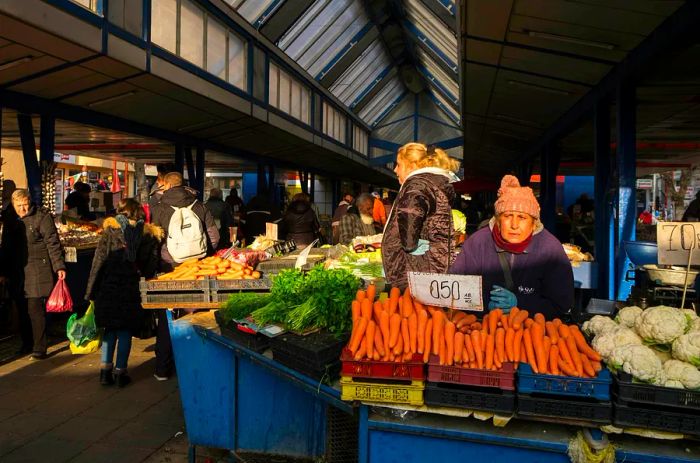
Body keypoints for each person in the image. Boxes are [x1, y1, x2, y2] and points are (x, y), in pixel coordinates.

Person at [449, 175, 574, 320]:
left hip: (532, 330)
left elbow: (562, 305)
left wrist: (521, 303)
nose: (514, 225)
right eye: (508, 216)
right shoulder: (477, 243)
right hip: (482, 328)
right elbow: (455, 290)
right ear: (497, 220)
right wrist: (482, 304)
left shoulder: (550, 249)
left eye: (522, 217)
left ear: (534, 223)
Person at [85, 198, 163, 387]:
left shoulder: (110, 231)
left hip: (109, 285)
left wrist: (90, 291)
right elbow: (150, 265)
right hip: (131, 287)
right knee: (125, 330)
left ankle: (105, 371)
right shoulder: (148, 235)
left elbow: (98, 261)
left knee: (110, 329)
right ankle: (120, 372)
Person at [150, 172, 219, 380]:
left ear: (167, 186)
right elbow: (214, 237)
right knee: (196, 314)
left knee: (167, 315)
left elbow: (155, 239)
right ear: (183, 185)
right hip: (197, 268)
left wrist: (166, 259)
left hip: (170, 268)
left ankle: (162, 369)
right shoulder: (199, 205)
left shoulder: (160, 208)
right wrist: (201, 256)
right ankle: (197, 366)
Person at [381, 143, 460, 290]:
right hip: (428, 267)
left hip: (415, 270)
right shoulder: (430, 183)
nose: (395, 170)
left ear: (412, 166)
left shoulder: (417, 185)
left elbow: (410, 213)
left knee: (413, 309)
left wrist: (409, 246)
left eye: (398, 164)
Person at [0, 189, 66, 359]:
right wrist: (3, 271)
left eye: (25, 204)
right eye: (18, 205)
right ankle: (27, 344)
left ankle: (39, 347)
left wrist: (59, 267)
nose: (22, 209)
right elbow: (5, 247)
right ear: (13, 205)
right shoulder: (10, 219)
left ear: (29, 202)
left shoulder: (42, 217)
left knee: (34, 309)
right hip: (17, 270)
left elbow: (52, 242)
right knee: (22, 309)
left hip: (38, 268)